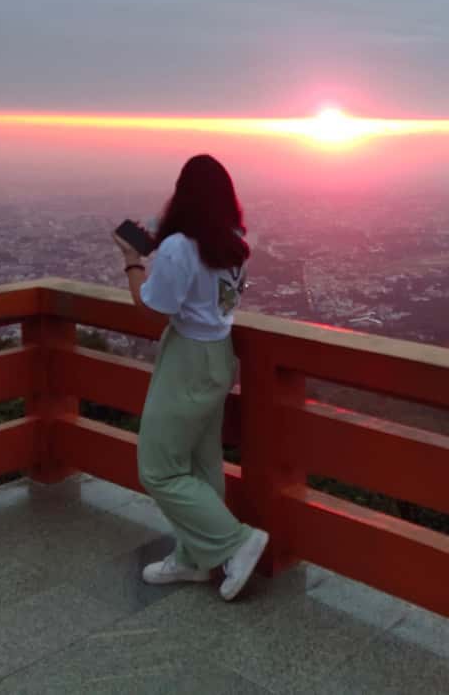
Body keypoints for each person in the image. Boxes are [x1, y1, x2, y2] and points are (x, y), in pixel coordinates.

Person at [112, 153, 267, 601]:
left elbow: (151, 308)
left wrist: (131, 261)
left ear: (184, 196)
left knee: (158, 469)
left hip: (188, 358)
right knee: (202, 464)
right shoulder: (235, 241)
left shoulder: (181, 246)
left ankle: (236, 542)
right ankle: (196, 559)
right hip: (220, 354)